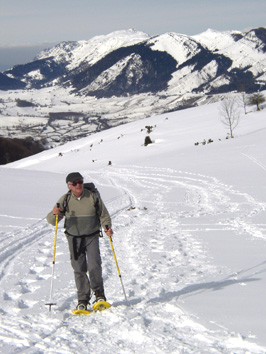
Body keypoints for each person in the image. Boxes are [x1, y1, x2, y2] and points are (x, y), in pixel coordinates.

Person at [46, 172, 113, 311]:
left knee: (95, 264)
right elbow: (53, 221)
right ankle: (83, 299)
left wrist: (107, 227)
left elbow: (103, 214)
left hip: (92, 235)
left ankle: (99, 295)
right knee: (79, 268)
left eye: (80, 182)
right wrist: (54, 213)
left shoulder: (92, 196)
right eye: (75, 183)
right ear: (69, 186)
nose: (79, 185)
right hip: (74, 238)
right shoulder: (65, 199)